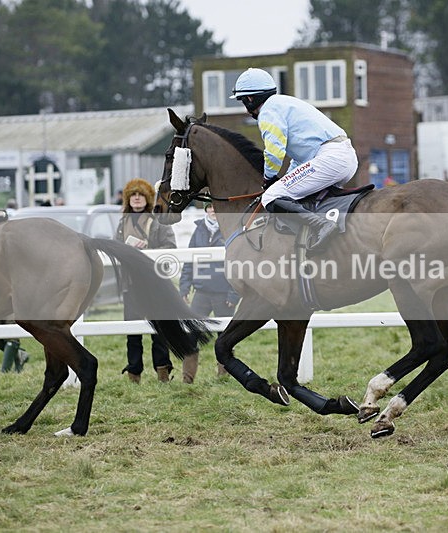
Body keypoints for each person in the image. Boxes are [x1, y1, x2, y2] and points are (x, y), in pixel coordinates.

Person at [230, 68, 358, 252]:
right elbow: (299, 161)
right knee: (295, 195)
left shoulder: (268, 111)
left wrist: (268, 179)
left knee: (271, 196)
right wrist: (285, 179)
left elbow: (274, 152)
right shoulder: (284, 103)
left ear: (250, 99)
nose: (245, 107)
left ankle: (322, 225)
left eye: (243, 101)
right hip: (344, 158)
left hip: (331, 159)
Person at [116, 178, 177, 384]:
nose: (136, 198)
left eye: (140, 195)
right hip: (131, 284)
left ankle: (163, 372)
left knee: (159, 331)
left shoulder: (158, 221)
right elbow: (115, 249)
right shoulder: (122, 223)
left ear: (148, 198)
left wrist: (148, 250)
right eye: (133, 195)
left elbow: (171, 248)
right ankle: (134, 373)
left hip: (154, 285)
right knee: (132, 332)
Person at [178, 203, 240, 383]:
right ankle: (187, 378)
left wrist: (234, 293)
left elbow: (238, 264)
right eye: (209, 207)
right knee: (191, 333)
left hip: (224, 294)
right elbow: (189, 260)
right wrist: (184, 286)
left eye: (215, 207)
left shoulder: (231, 230)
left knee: (225, 337)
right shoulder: (198, 230)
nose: (213, 210)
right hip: (201, 292)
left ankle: (224, 376)